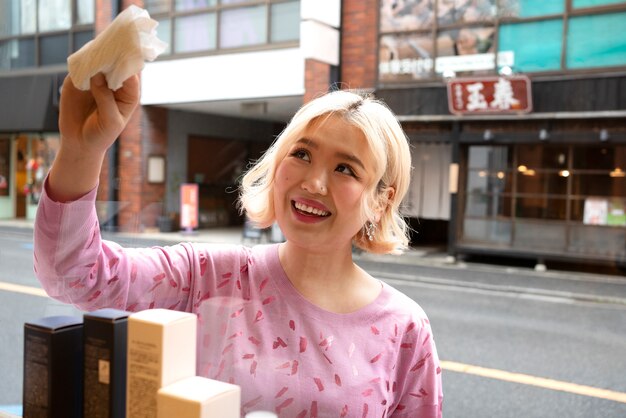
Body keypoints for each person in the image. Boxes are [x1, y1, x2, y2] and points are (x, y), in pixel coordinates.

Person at [34, 72, 443, 417]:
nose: (313, 182)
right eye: (301, 154)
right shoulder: (207, 276)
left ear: (381, 200)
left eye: (344, 168)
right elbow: (75, 275)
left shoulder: (404, 328)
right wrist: (81, 149)